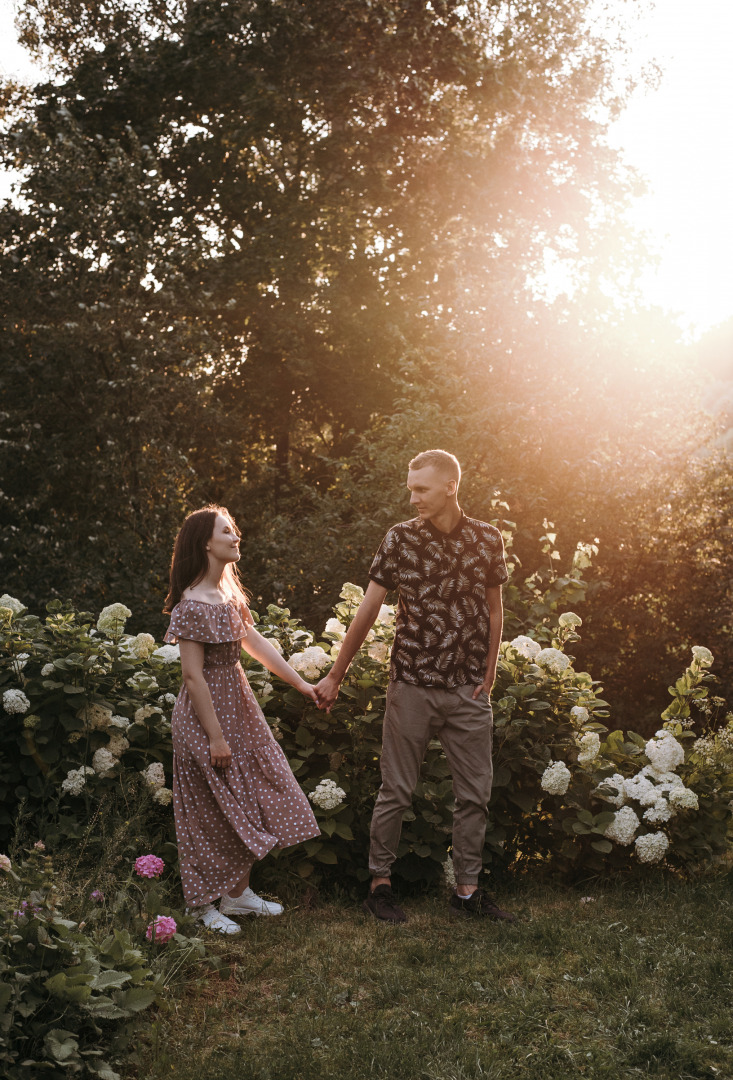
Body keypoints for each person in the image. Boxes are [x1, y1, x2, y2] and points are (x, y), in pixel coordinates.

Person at [315, 450, 514, 924]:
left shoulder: (487, 538)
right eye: (411, 488)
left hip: (467, 691)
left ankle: (466, 892)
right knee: (396, 791)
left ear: (450, 486)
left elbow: (495, 610)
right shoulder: (400, 539)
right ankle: (379, 886)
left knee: (475, 795)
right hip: (411, 686)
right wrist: (335, 674)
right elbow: (368, 609)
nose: (413, 497)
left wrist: (489, 672)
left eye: (422, 488)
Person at [163, 505, 320, 934]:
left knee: (250, 797)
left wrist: (302, 685)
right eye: (227, 532)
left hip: (240, 709)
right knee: (207, 813)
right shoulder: (192, 604)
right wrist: (215, 736)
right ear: (205, 543)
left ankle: (236, 896)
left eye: (234, 531)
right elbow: (193, 677)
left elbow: (256, 645)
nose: (236, 538)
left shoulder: (229, 596)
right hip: (205, 717)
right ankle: (201, 905)